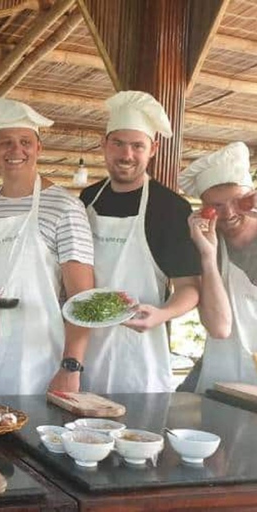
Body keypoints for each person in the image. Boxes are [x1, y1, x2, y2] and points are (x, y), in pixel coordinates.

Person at [0, 97, 95, 395]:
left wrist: (71, 366)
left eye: (25, 142)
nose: (16, 150)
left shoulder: (65, 206)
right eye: (5, 142)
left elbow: (82, 298)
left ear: (38, 149)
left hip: (36, 355)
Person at [79, 90, 201, 393]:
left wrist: (162, 314)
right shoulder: (85, 200)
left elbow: (189, 288)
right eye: (118, 143)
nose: (126, 155)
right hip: (81, 349)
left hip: (139, 357)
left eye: (137, 146)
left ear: (153, 149)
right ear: (104, 144)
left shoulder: (171, 208)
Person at [179, 141, 257, 392]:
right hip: (222, 375)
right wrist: (209, 257)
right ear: (204, 209)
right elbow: (219, 327)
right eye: (217, 206)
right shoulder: (202, 246)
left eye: (239, 201)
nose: (230, 213)